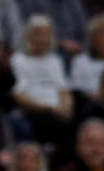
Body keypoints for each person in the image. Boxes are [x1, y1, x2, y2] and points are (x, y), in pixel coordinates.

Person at [10, 15, 73, 146]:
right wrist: (49, 108)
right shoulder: (18, 59)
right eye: (38, 34)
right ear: (28, 36)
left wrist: (66, 107)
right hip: (35, 111)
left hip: (57, 112)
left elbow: (64, 90)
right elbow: (19, 94)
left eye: (46, 35)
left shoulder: (55, 60)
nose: (42, 39)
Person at [70, 14, 104, 102]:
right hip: (90, 103)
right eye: (103, 35)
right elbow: (77, 88)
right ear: (92, 39)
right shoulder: (80, 61)